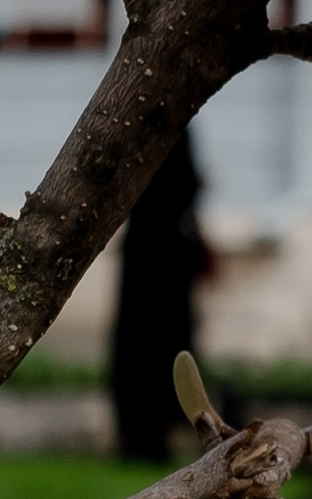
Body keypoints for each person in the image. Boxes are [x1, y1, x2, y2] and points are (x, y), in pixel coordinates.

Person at [110, 130, 213, 464]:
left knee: (155, 346)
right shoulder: (162, 131)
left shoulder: (173, 130)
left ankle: (150, 432)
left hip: (160, 255)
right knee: (152, 346)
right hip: (158, 256)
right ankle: (145, 434)